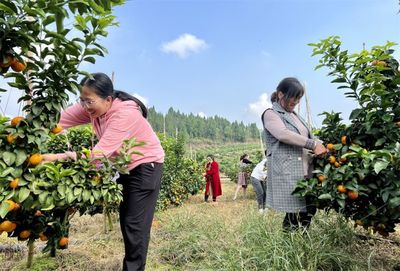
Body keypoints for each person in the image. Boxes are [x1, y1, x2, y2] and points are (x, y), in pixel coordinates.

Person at [42, 72, 165, 271]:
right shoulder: (93, 108)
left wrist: (58, 157)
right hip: (125, 168)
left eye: (89, 101)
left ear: (108, 99)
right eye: (82, 101)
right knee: (128, 222)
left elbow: (99, 155)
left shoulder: (125, 114)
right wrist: (29, 129)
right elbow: (59, 120)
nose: (85, 107)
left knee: (135, 226)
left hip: (145, 168)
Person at [261, 77, 326, 231]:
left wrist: (321, 143)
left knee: (309, 209)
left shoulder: (295, 116)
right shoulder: (271, 114)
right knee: (294, 213)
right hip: (289, 172)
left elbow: (309, 136)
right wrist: (313, 144)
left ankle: (299, 241)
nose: (296, 101)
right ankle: (290, 245)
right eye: (293, 97)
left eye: (299, 98)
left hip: (305, 172)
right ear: (280, 94)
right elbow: (283, 134)